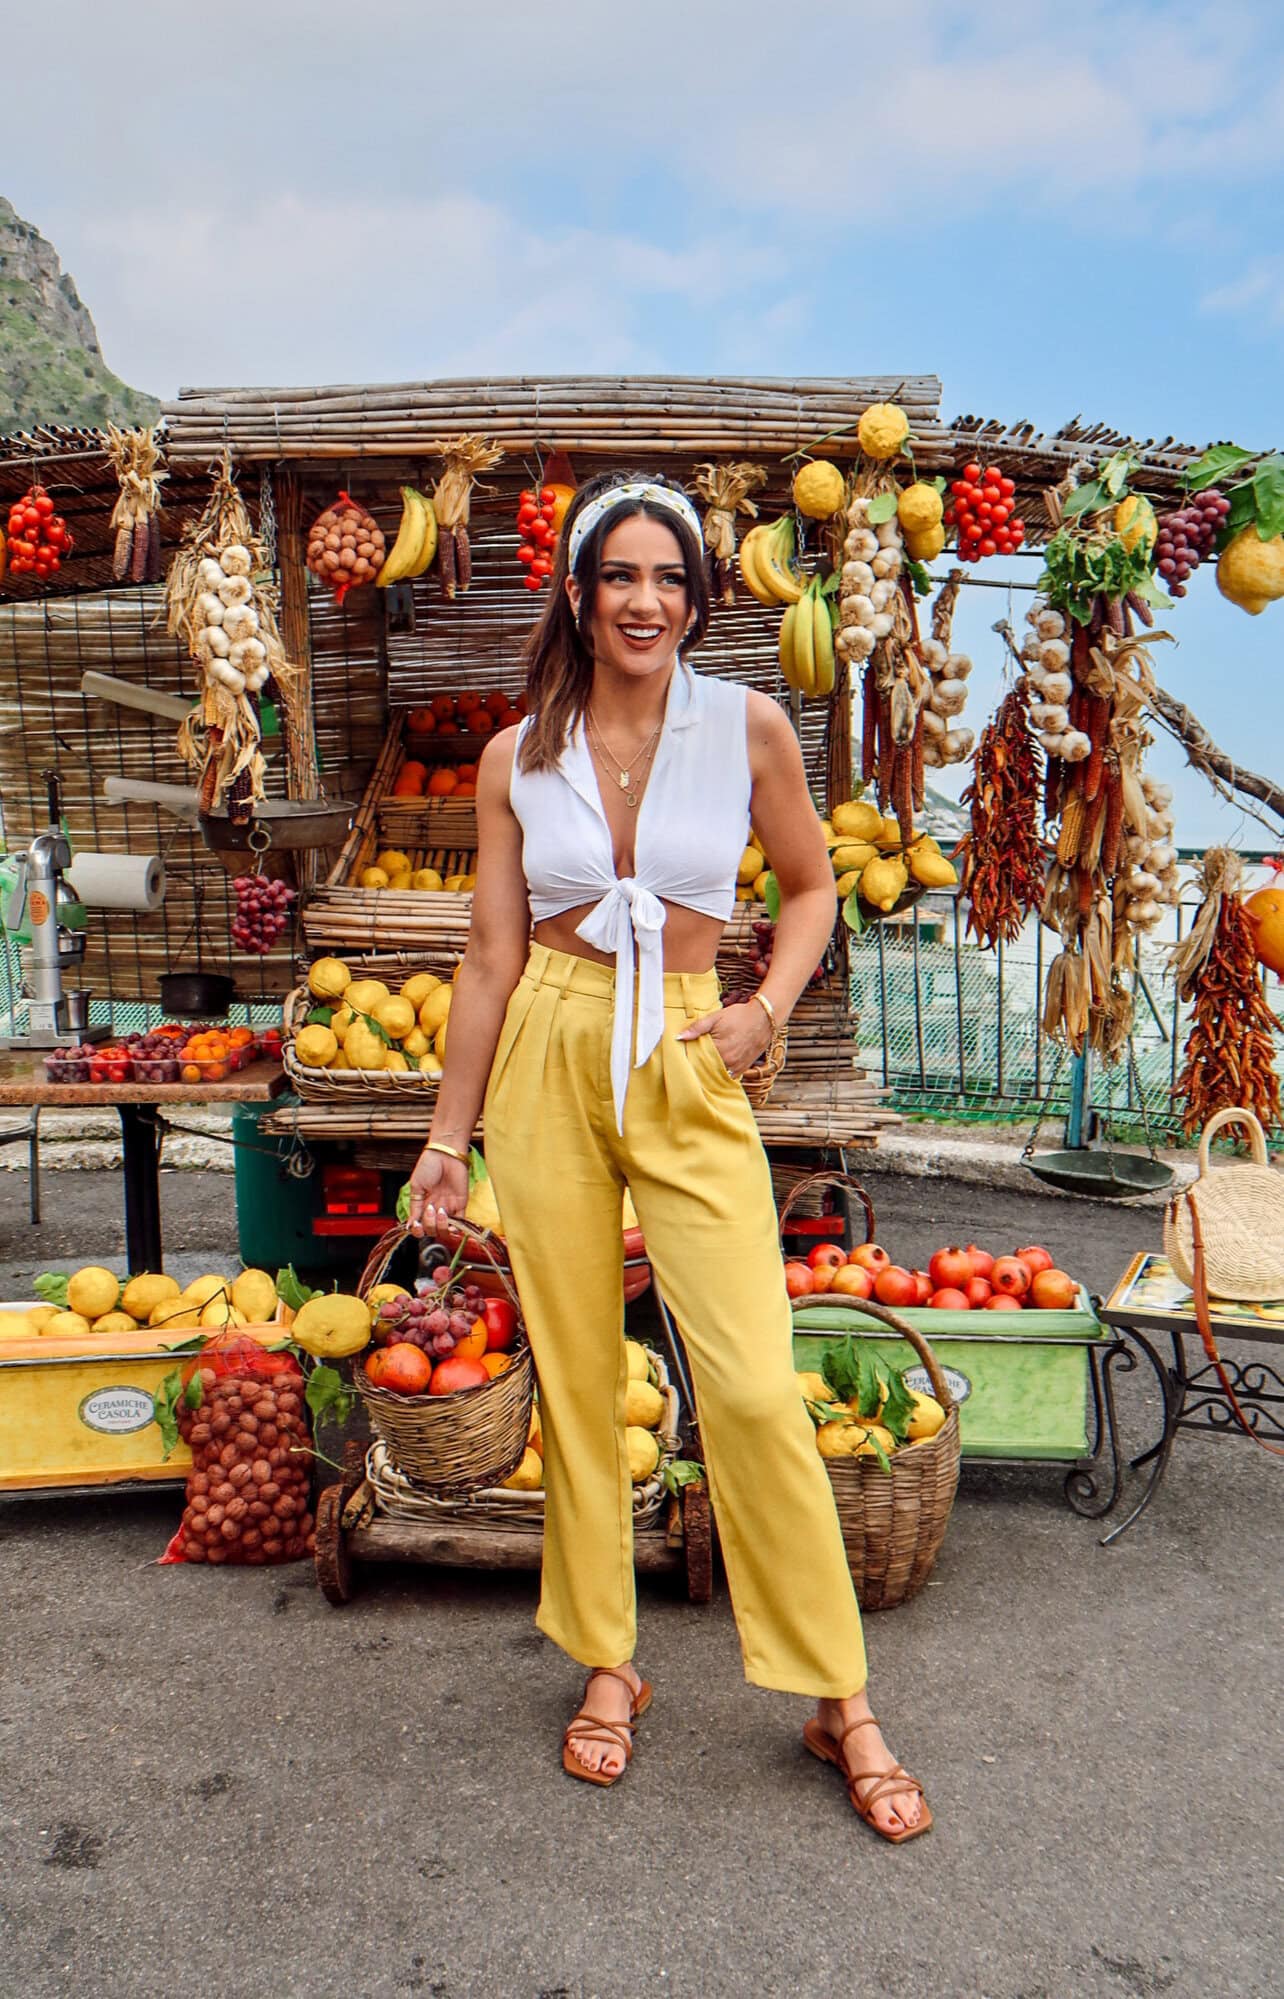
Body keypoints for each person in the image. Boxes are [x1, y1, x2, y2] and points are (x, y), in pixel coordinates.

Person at [407, 472, 929, 1842]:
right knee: (580, 1381)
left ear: (698, 600)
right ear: (577, 595)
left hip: (694, 1049)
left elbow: (812, 886)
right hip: (551, 1049)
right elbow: (487, 956)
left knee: (754, 1387)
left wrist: (764, 1007)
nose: (646, 601)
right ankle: (609, 1661)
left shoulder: (746, 727)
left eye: (670, 580)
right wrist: (444, 1141)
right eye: (619, 576)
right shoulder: (514, 755)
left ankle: (837, 1696)